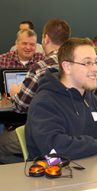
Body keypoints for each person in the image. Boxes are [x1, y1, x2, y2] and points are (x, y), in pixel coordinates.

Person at [25, 37, 97, 160]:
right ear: (67, 67)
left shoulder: (91, 98)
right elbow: (54, 147)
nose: (95, 68)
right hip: (57, 174)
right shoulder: (45, 103)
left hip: (94, 169)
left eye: (96, 62)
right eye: (87, 63)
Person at [0, 19, 71, 164]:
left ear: (44, 39)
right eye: (24, 43)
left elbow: (20, 106)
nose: (28, 47)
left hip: (46, 130)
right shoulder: (75, 63)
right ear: (16, 44)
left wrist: (16, 92)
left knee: (3, 144)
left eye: (32, 44)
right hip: (71, 129)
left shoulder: (41, 65)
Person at [10, 19, 71, 113]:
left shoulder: (40, 68)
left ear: (46, 38)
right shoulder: (78, 63)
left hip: (49, 123)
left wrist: (15, 92)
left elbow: (21, 106)